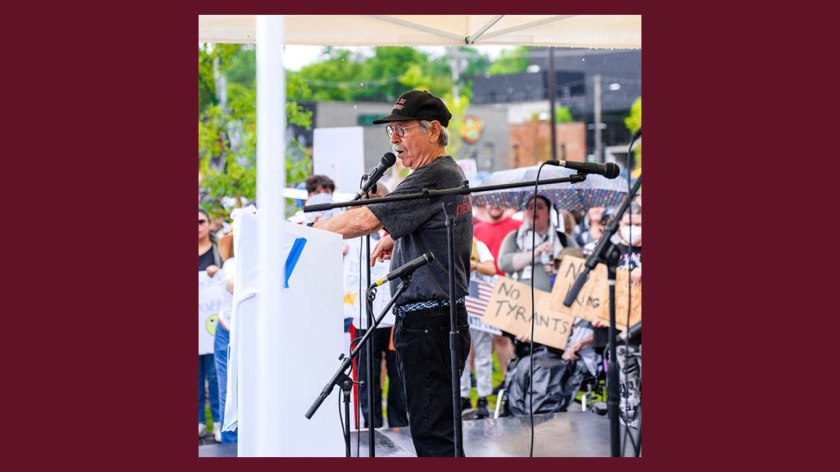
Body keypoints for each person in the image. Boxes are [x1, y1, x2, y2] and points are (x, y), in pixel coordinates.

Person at [313, 90, 472, 457]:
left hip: (430, 322)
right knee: (438, 430)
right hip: (437, 319)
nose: (395, 139)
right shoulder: (448, 172)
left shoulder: (431, 175)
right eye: (392, 132)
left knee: (433, 435)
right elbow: (431, 227)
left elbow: (366, 217)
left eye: (402, 129)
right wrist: (393, 238)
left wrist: (311, 231)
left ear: (433, 131)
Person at [497, 196, 594, 416]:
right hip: (522, 311)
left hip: (555, 314)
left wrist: (559, 267)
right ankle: (521, 392)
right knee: (524, 354)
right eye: (530, 207)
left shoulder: (564, 239)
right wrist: (536, 252)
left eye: (539, 207)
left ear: (549, 212)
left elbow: (580, 269)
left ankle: (549, 395)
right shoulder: (515, 238)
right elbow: (504, 263)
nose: (534, 211)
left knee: (551, 356)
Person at [344, 183, 409, 430]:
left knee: (398, 374)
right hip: (365, 317)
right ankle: (372, 425)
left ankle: (399, 424)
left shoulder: (398, 231)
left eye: (377, 200)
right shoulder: (353, 238)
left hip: (394, 315)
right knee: (367, 377)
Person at [473, 205, 521, 390]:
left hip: (508, 287)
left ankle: (510, 379)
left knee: (505, 337)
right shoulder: (477, 230)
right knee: (484, 339)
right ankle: (496, 380)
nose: (494, 206)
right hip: (484, 289)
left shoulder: (516, 225)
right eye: (490, 202)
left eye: (498, 202)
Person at [460, 237, 497, 419]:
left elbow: (491, 269)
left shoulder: (477, 244)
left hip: (477, 304)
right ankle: (463, 396)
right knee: (460, 354)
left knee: (483, 352)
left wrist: (472, 265)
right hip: (458, 302)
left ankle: (483, 396)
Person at [198, 208, 221, 439]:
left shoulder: (217, 251)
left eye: (201, 221)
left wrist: (218, 270)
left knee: (214, 374)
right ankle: (198, 422)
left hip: (212, 325)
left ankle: (217, 420)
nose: (198, 226)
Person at [213, 230, 237, 444]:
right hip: (228, 332)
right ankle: (231, 443)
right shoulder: (231, 263)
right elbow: (232, 283)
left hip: (251, 332)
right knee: (228, 389)